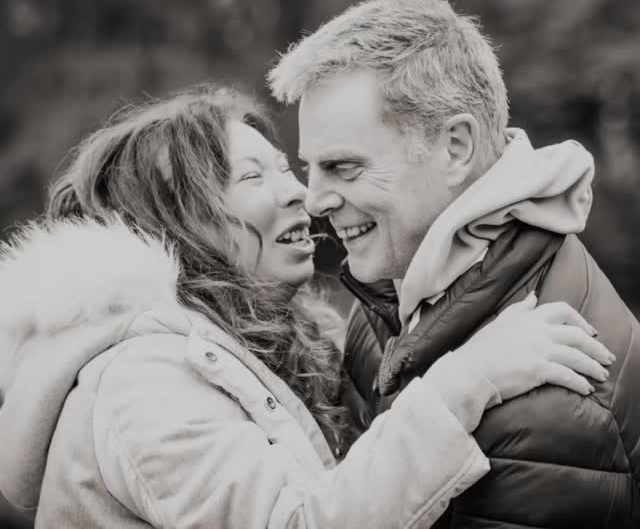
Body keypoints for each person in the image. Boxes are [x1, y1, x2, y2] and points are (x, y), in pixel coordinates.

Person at [0, 86, 612, 529]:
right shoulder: (142, 382)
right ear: (180, 220)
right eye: (254, 178)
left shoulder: (264, 343)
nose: (302, 192)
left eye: (285, 169)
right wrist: (469, 378)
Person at [268, 0, 640, 528]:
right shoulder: (396, 293)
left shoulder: (551, 401)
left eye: (344, 167)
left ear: (456, 147)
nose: (314, 199)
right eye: (311, 168)